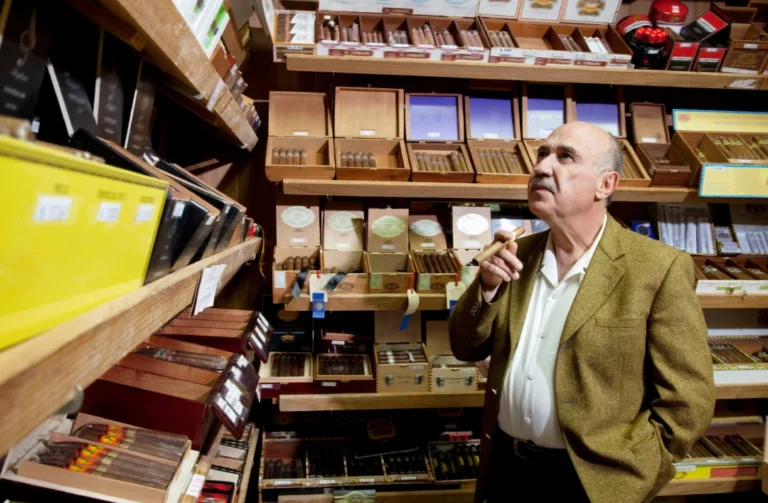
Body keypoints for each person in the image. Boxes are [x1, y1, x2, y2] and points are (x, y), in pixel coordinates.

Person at [449, 122, 715, 503]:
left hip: (593, 483)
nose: (541, 167)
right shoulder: (517, 254)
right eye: (542, 154)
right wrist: (487, 289)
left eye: (566, 157)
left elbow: (688, 401)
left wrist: (633, 476)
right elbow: (464, 346)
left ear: (605, 185)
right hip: (506, 470)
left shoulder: (657, 268)